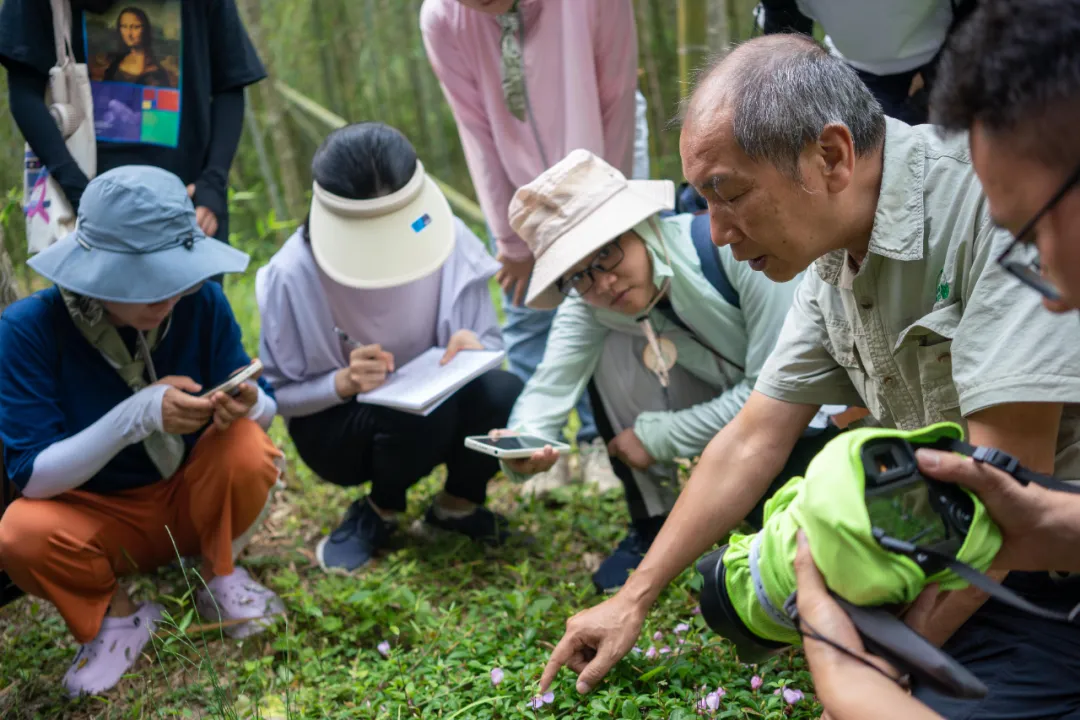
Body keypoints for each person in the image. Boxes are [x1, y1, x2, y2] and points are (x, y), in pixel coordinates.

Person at [538, 36, 1080, 715]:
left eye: (726, 194)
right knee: (734, 593)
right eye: (701, 202)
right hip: (952, 548)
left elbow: (1003, 512)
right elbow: (753, 436)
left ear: (830, 156)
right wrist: (633, 598)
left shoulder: (994, 206)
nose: (720, 233)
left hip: (1039, 575)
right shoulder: (831, 258)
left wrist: (889, 662)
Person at [498, 149, 839, 592]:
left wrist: (656, 437)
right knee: (602, 340)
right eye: (577, 275)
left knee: (804, 531)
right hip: (728, 417)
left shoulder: (733, 252)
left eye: (606, 253)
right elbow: (549, 388)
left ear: (640, 225)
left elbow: (777, 388)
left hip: (805, 417)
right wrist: (521, 447)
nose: (602, 282)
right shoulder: (589, 303)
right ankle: (652, 520)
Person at [0, 165, 285, 697]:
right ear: (96, 271)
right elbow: (33, 477)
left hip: (188, 497)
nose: (169, 295)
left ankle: (219, 574)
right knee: (19, 531)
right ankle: (119, 617)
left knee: (246, 444)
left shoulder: (200, 303)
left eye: (177, 275)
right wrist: (139, 415)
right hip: (95, 518)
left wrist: (247, 404)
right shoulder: (28, 331)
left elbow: (265, 411)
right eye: (149, 282)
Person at [256, 123, 524, 574]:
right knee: (418, 417)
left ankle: (456, 506)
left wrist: (472, 350)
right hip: (341, 430)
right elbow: (276, 396)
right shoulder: (292, 273)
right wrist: (340, 382)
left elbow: (490, 344)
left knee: (502, 391)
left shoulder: (446, 235)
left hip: (434, 405)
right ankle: (378, 510)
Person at [420, 0, 639, 496]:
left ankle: (600, 439)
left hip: (605, 153)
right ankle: (537, 444)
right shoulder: (443, 18)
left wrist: (608, 217)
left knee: (606, 298)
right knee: (527, 308)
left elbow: (616, 95)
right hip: (517, 181)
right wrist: (509, 237)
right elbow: (474, 130)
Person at [0, 0, 266, 243]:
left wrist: (213, 183)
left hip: (189, 211)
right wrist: (80, 195)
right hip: (86, 218)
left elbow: (229, 82)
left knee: (198, 296)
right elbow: (25, 91)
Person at [758, 0, 976, 125]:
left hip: (943, 60)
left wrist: (940, 71)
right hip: (851, 70)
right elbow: (785, 24)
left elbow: (979, 7)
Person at [101, 6, 173, 86]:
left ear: (145, 29)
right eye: (124, 26)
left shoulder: (155, 71)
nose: (129, 34)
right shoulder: (116, 62)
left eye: (135, 27)